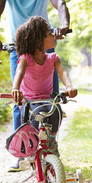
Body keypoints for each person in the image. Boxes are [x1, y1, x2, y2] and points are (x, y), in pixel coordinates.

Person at [0, 0, 71, 171]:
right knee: (21, 100)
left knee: (52, 100)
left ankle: (49, 146)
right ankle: (22, 151)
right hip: (19, 48)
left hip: (45, 47)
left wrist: (63, 23)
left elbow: (60, 4)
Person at [11, 16, 77, 154]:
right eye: (49, 33)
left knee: (56, 111)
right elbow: (19, 72)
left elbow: (62, 72)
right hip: (29, 101)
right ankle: (32, 148)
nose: (53, 35)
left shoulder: (53, 58)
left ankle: (52, 140)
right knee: (35, 118)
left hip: (47, 98)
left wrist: (69, 86)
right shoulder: (26, 58)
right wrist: (15, 89)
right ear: (37, 41)